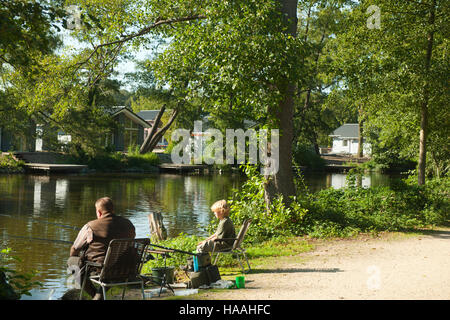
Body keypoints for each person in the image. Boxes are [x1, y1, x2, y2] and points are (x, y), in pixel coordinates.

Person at [67, 197, 135, 300]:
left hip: (100, 269)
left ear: (99, 212)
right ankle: (99, 296)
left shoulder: (90, 226)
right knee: (110, 266)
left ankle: (96, 295)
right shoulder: (128, 224)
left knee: (71, 262)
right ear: (113, 210)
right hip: (127, 268)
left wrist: (78, 258)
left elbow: (74, 249)